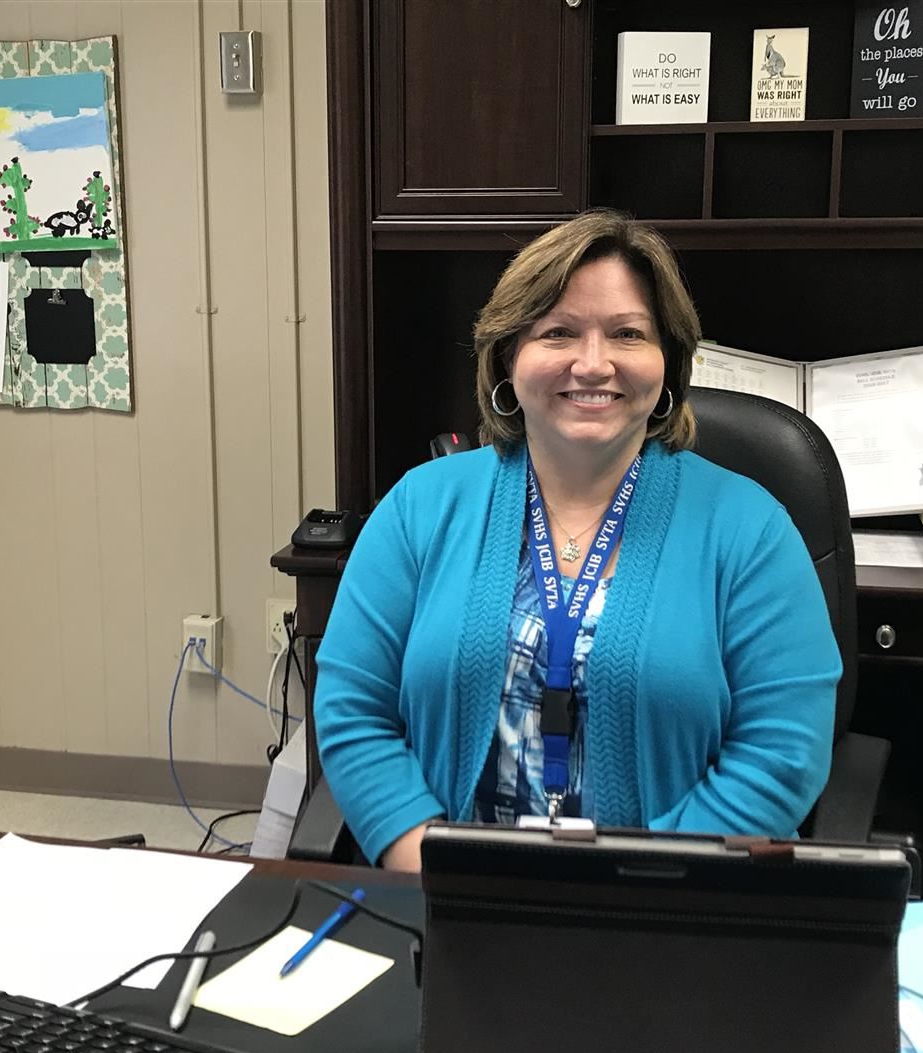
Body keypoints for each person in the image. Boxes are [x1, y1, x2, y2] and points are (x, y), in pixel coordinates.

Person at [314, 209, 841, 873]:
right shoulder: (420, 507)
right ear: (508, 357)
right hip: (448, 902)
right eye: (558, 331)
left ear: (666, 365)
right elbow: (352, 706)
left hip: (669, 918)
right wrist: (423, 864)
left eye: (626, 333)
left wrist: (649, 890)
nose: (592, 364)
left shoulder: (750, 530)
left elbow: (781, 749)